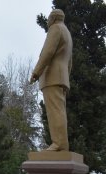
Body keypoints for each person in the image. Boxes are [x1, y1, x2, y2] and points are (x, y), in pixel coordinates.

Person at [30, 9, 72, 151]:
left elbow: (48, 52)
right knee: (59, 111)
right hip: (61, 77)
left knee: (55, 112)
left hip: (52, 77)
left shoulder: (55, 28)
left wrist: (36, 72)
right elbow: (69, 62)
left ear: (53, 18)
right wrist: (65, 77)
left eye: (48, 19)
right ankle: (61, 144)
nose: (47, 22)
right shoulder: (67, 32)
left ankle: (59, 144)